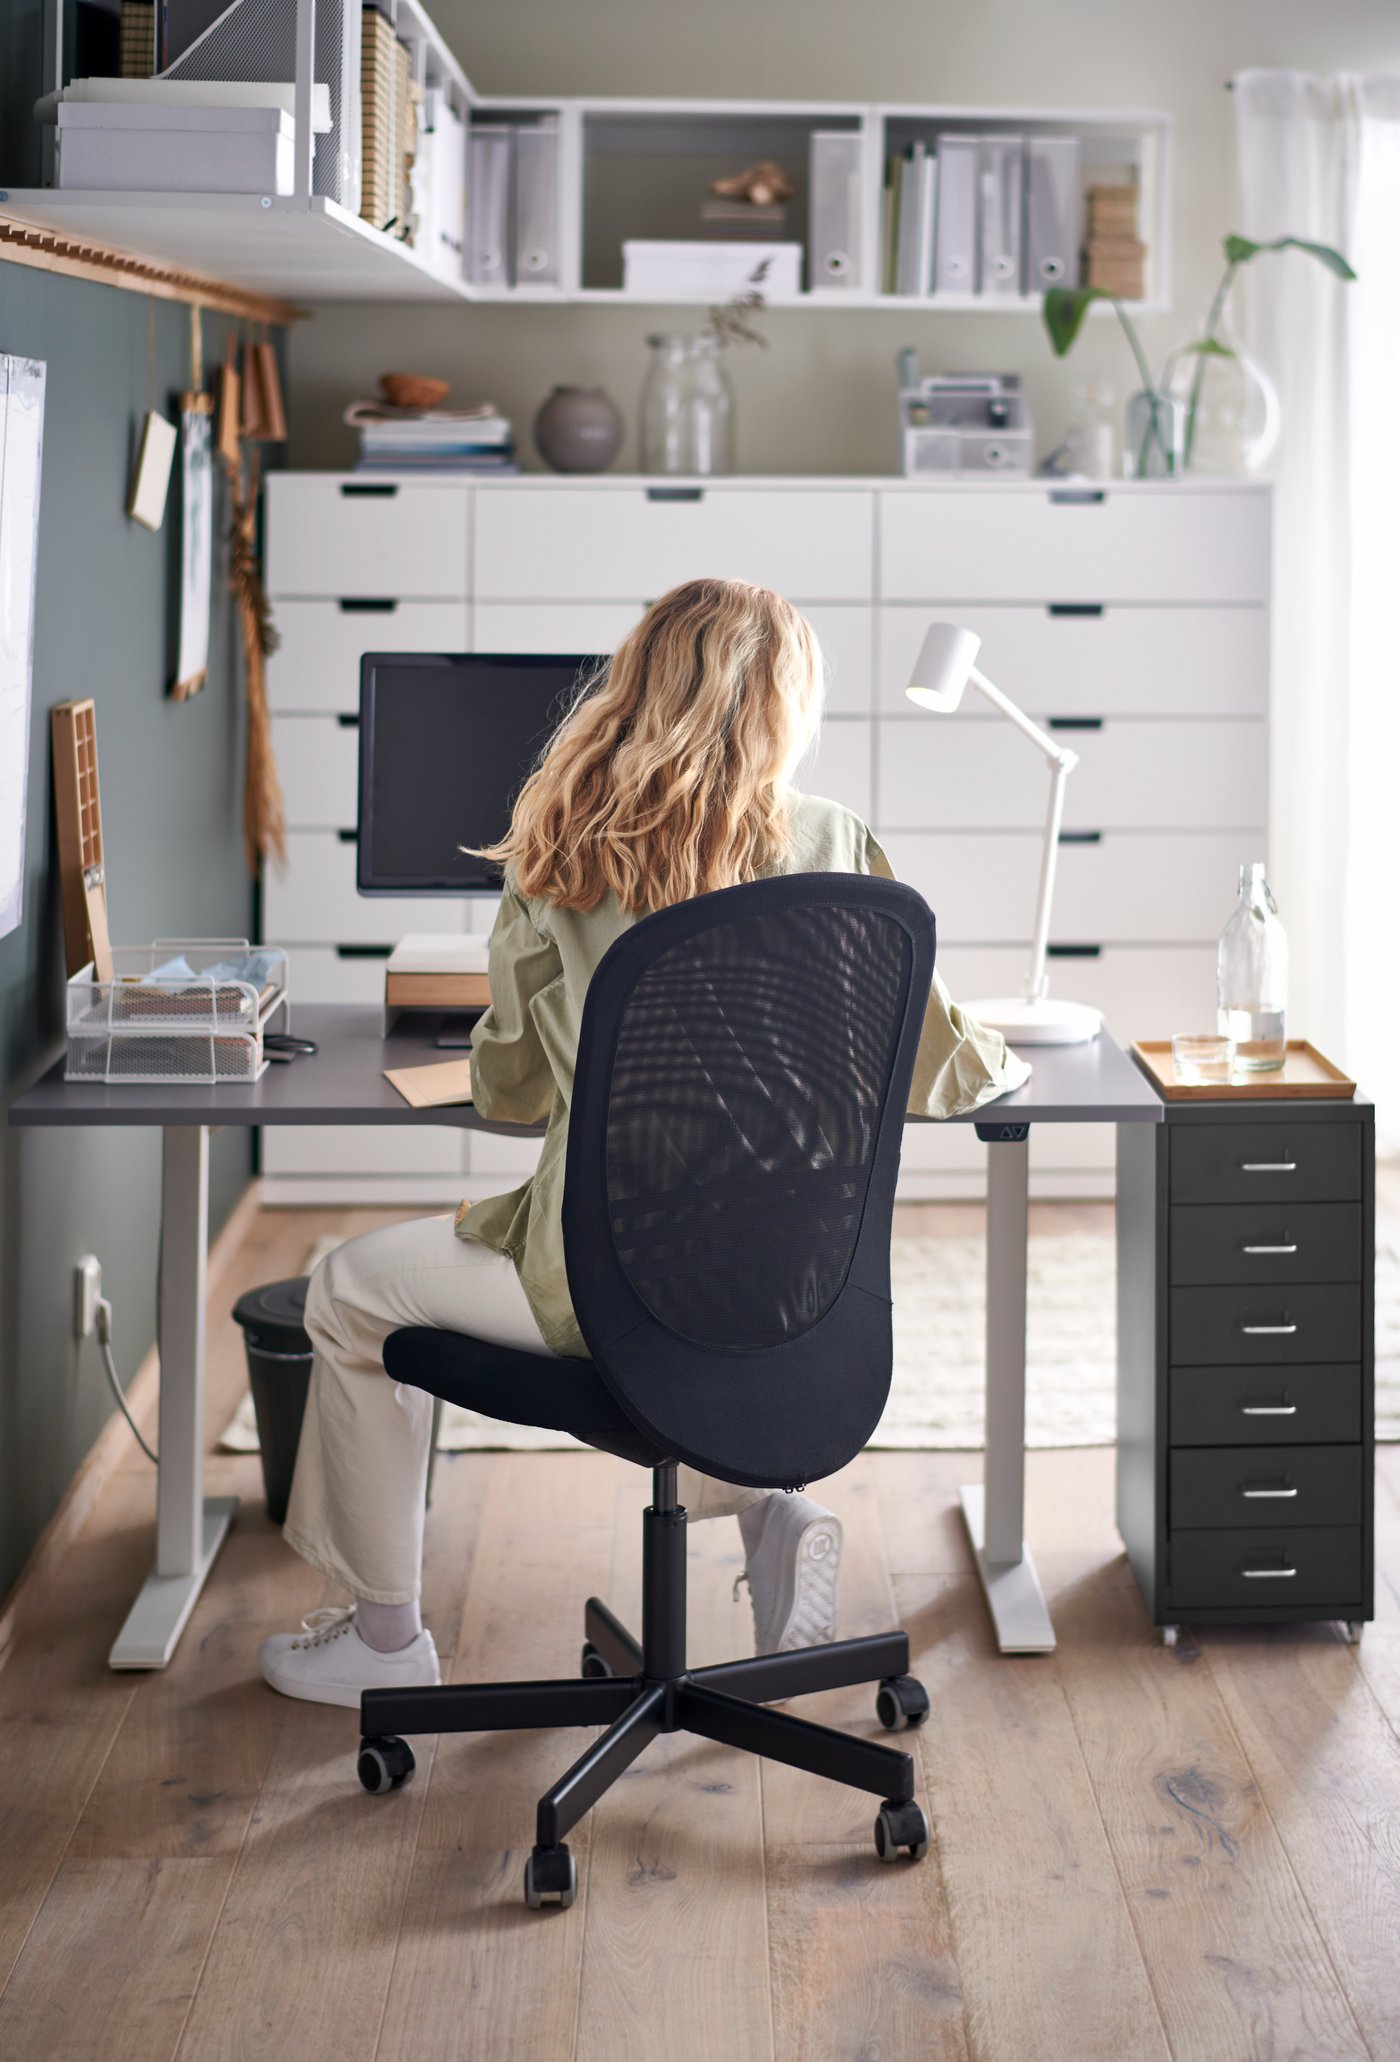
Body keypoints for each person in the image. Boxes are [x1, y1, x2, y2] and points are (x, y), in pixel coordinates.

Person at [260, 577, 1029, 1706]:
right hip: (791, 1285)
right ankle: (771, 1513)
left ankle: (384, 1640)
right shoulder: (833, 842)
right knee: (704, 1326)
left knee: (344, 1290)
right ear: (781, 706)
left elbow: (515, 1092)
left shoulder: (561, 847)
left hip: (604, 1280)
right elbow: (939, 1063)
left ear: (637, 683)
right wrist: (1012, 1054)